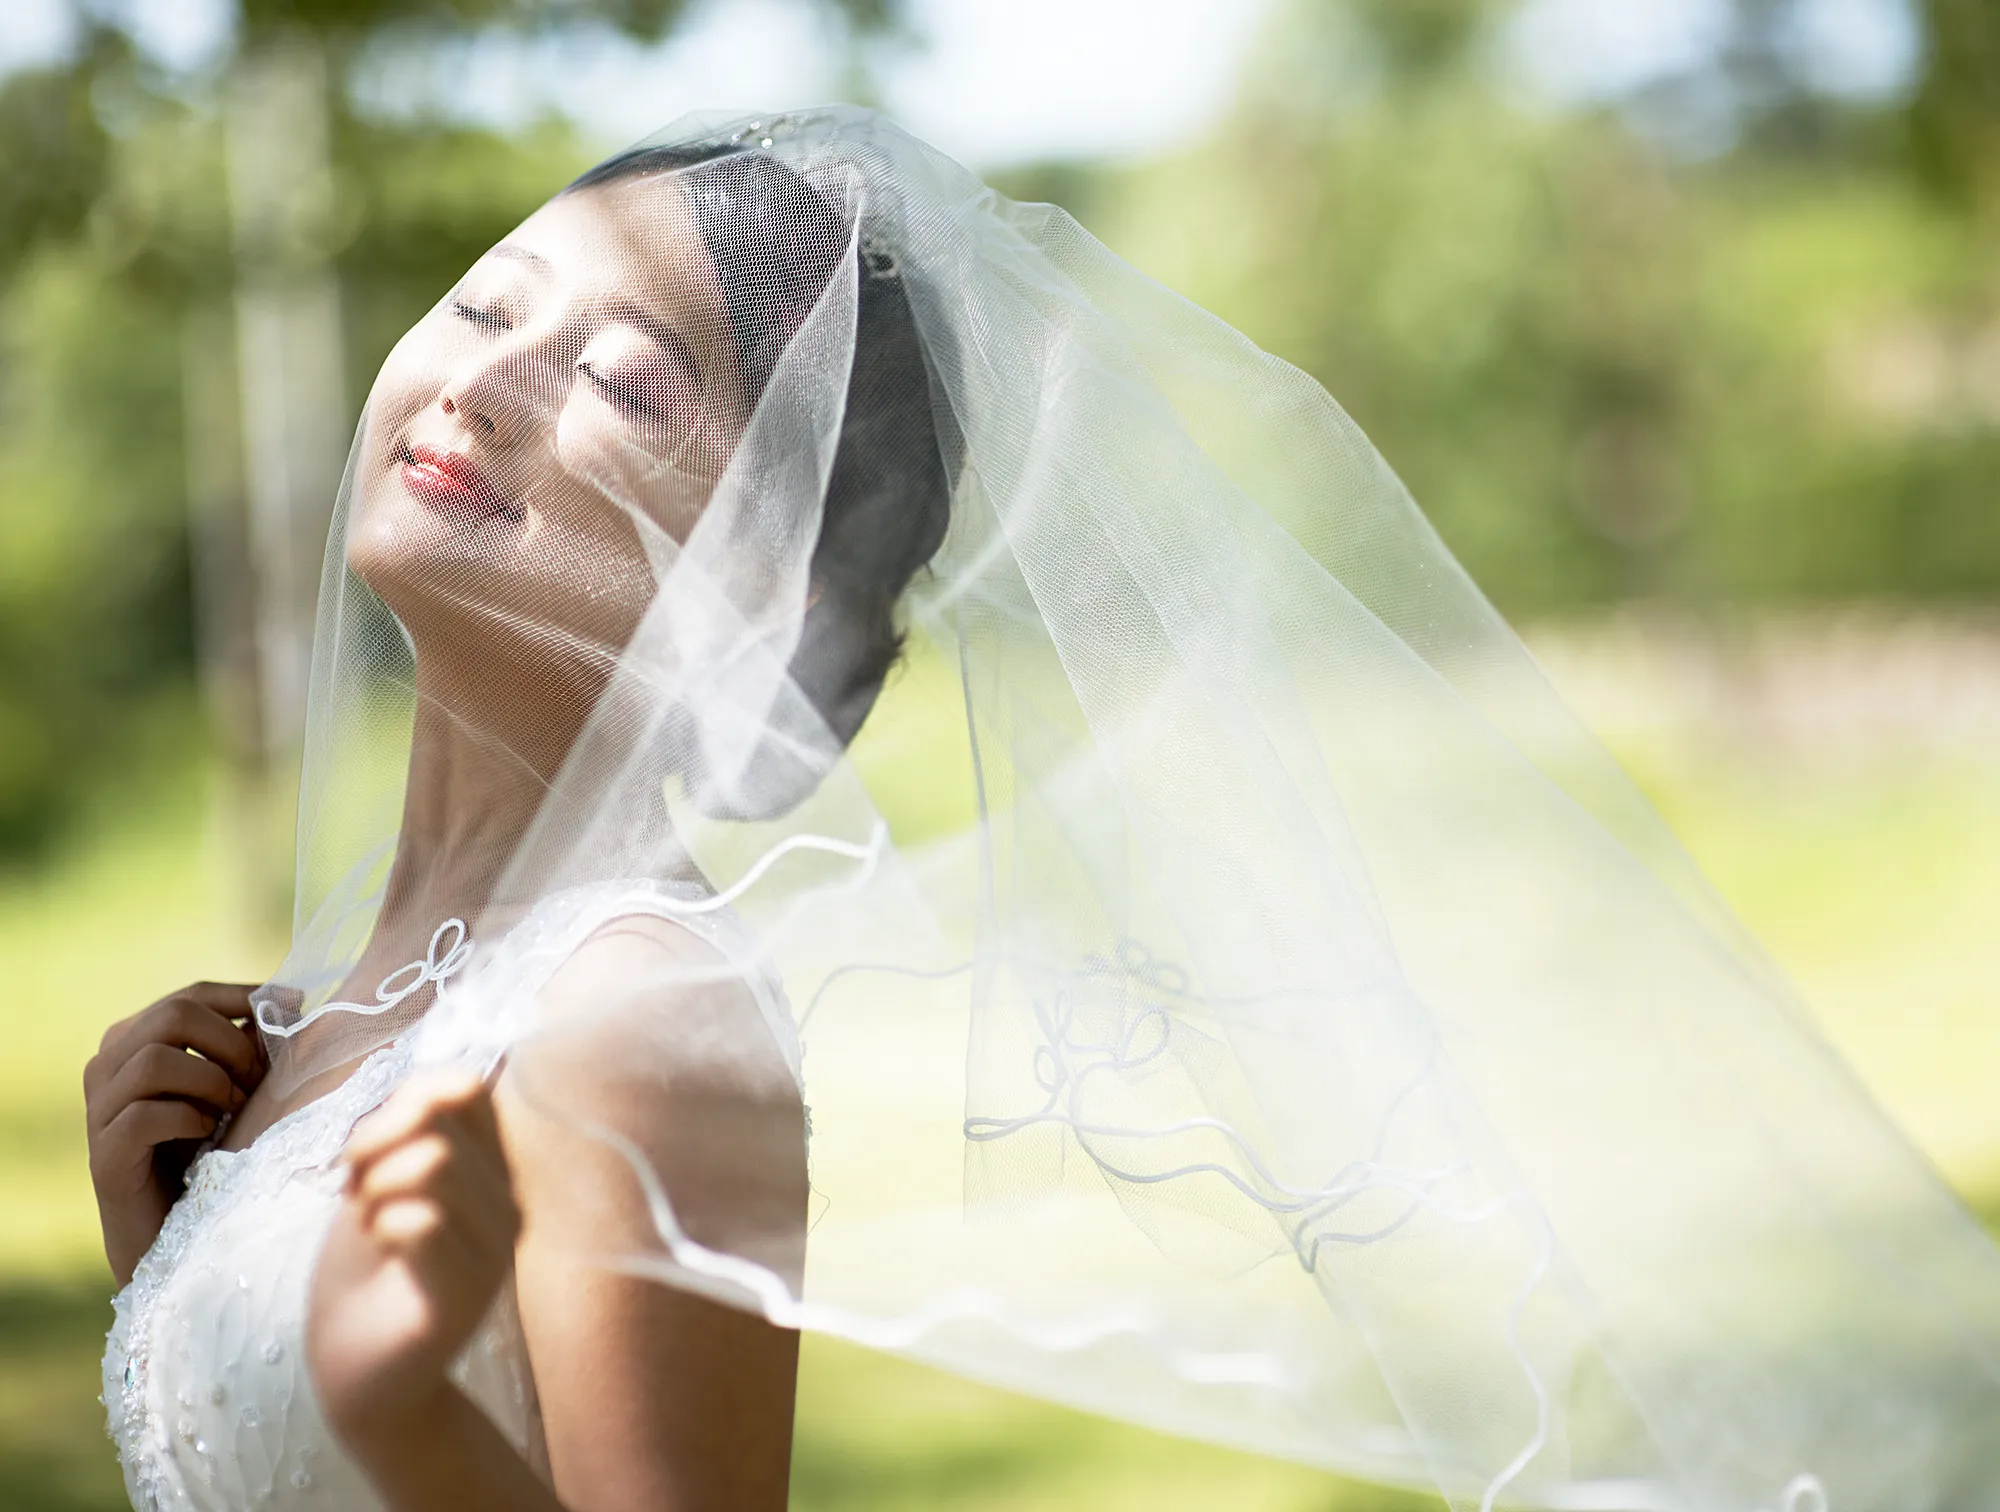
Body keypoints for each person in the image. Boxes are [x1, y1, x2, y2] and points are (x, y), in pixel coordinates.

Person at [82, 108, 2000, 1512]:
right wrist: (161, 1237)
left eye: (626, 379)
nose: (487, 376)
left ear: (756, 585)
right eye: (491, 297)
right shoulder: (318, 1015)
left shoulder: (635, 1026)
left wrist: (402, 1411)